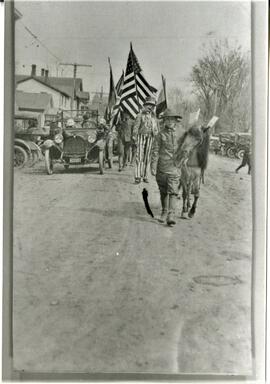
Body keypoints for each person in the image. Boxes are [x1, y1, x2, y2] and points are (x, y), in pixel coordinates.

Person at [150, 108, 183, 226]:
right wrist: (153, 165)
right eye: (167, 120)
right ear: (164, 121)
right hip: (162, 167)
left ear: (175, 121)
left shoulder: (180, 134)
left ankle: (171, 214)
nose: (169, 122)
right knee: (163, 191)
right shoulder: (160, 135)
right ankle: (164, 212)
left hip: (175, 167)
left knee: (173, 191)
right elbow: (155, 150)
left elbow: (185, 149)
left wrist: (183, 158)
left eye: (171, 119)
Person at [132, 96, 158, 183]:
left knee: (147, 157)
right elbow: (136, 127)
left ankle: (145, 176)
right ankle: (138, 176)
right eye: (149, 105)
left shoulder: (154, 117)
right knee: (139, 157)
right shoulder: (140, 115)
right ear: (145, 105)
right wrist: (134, 137)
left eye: (152, 106)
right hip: (141, 136)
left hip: (150, 137)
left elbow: (156, 129)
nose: (150, 107)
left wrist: (156, 137)